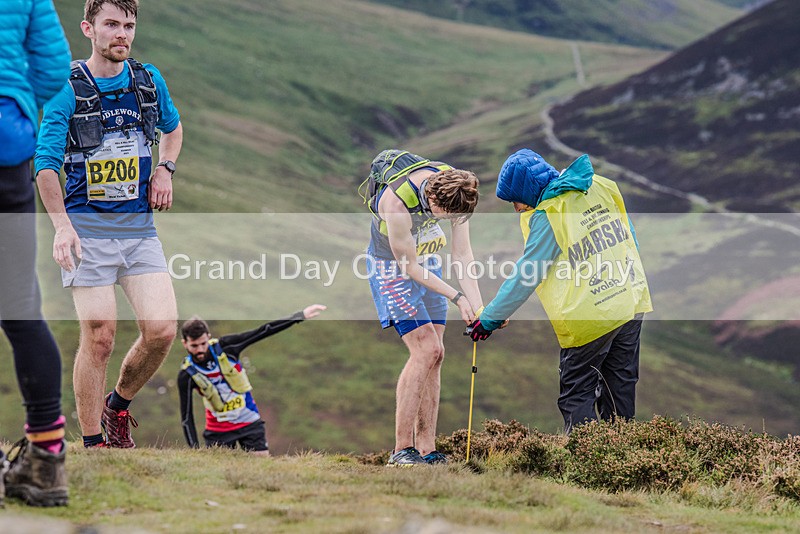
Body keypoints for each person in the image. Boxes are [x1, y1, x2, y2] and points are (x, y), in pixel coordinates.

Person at [35, 0, 183, 449]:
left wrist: (165, 168)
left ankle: (116, 408)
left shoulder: (147, 80)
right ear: (89, 28)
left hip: (139, 232)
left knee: (161, 331)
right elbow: (45, 167)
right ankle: (95, 445)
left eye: (129, 25)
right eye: (112, 24)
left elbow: (173, 130)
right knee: (99, 338)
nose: (122, 33)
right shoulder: (67, 89)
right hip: (86, 233)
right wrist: (62, 228)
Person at [468, 149, 652, 433]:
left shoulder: (549, 213)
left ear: (528, 191)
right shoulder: (601, 185)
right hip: (629, 301)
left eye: (516, 199)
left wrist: (489, 319)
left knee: (577, 393)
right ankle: (623, 460)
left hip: (589, 317)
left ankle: (585, 465)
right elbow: (630, 236)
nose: (516, 207)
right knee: (620, 388)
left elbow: (528, 273)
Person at [364, 149, 483, 466]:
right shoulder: (397, 202)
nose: (451, 222)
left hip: (427, 261)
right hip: (393, 268)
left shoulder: (457, 191)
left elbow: (462, 255)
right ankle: (401, 451)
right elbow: (409, 267)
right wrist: (457, 298)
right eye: (447, 217)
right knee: (425, 350)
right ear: (433, 202)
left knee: (438, 352)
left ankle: (428, 449)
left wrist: (479, 306)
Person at [0, 0, 71, 508]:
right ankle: (47, 467)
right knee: (21, 308)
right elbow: (50, 67)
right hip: (8, 145)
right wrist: (15, 96)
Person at [178, 305, 327, 454]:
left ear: (208, 337)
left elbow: (263, 330)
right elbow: (186, 417)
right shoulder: (187, 375)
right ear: (185, 343)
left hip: (249, 421)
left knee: (262, 470)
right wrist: (194, 450)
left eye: (203, 344)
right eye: (194, 346)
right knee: (221, 475)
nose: (200, 350)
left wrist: (299, 316)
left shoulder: (227, 347)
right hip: (218, 431)